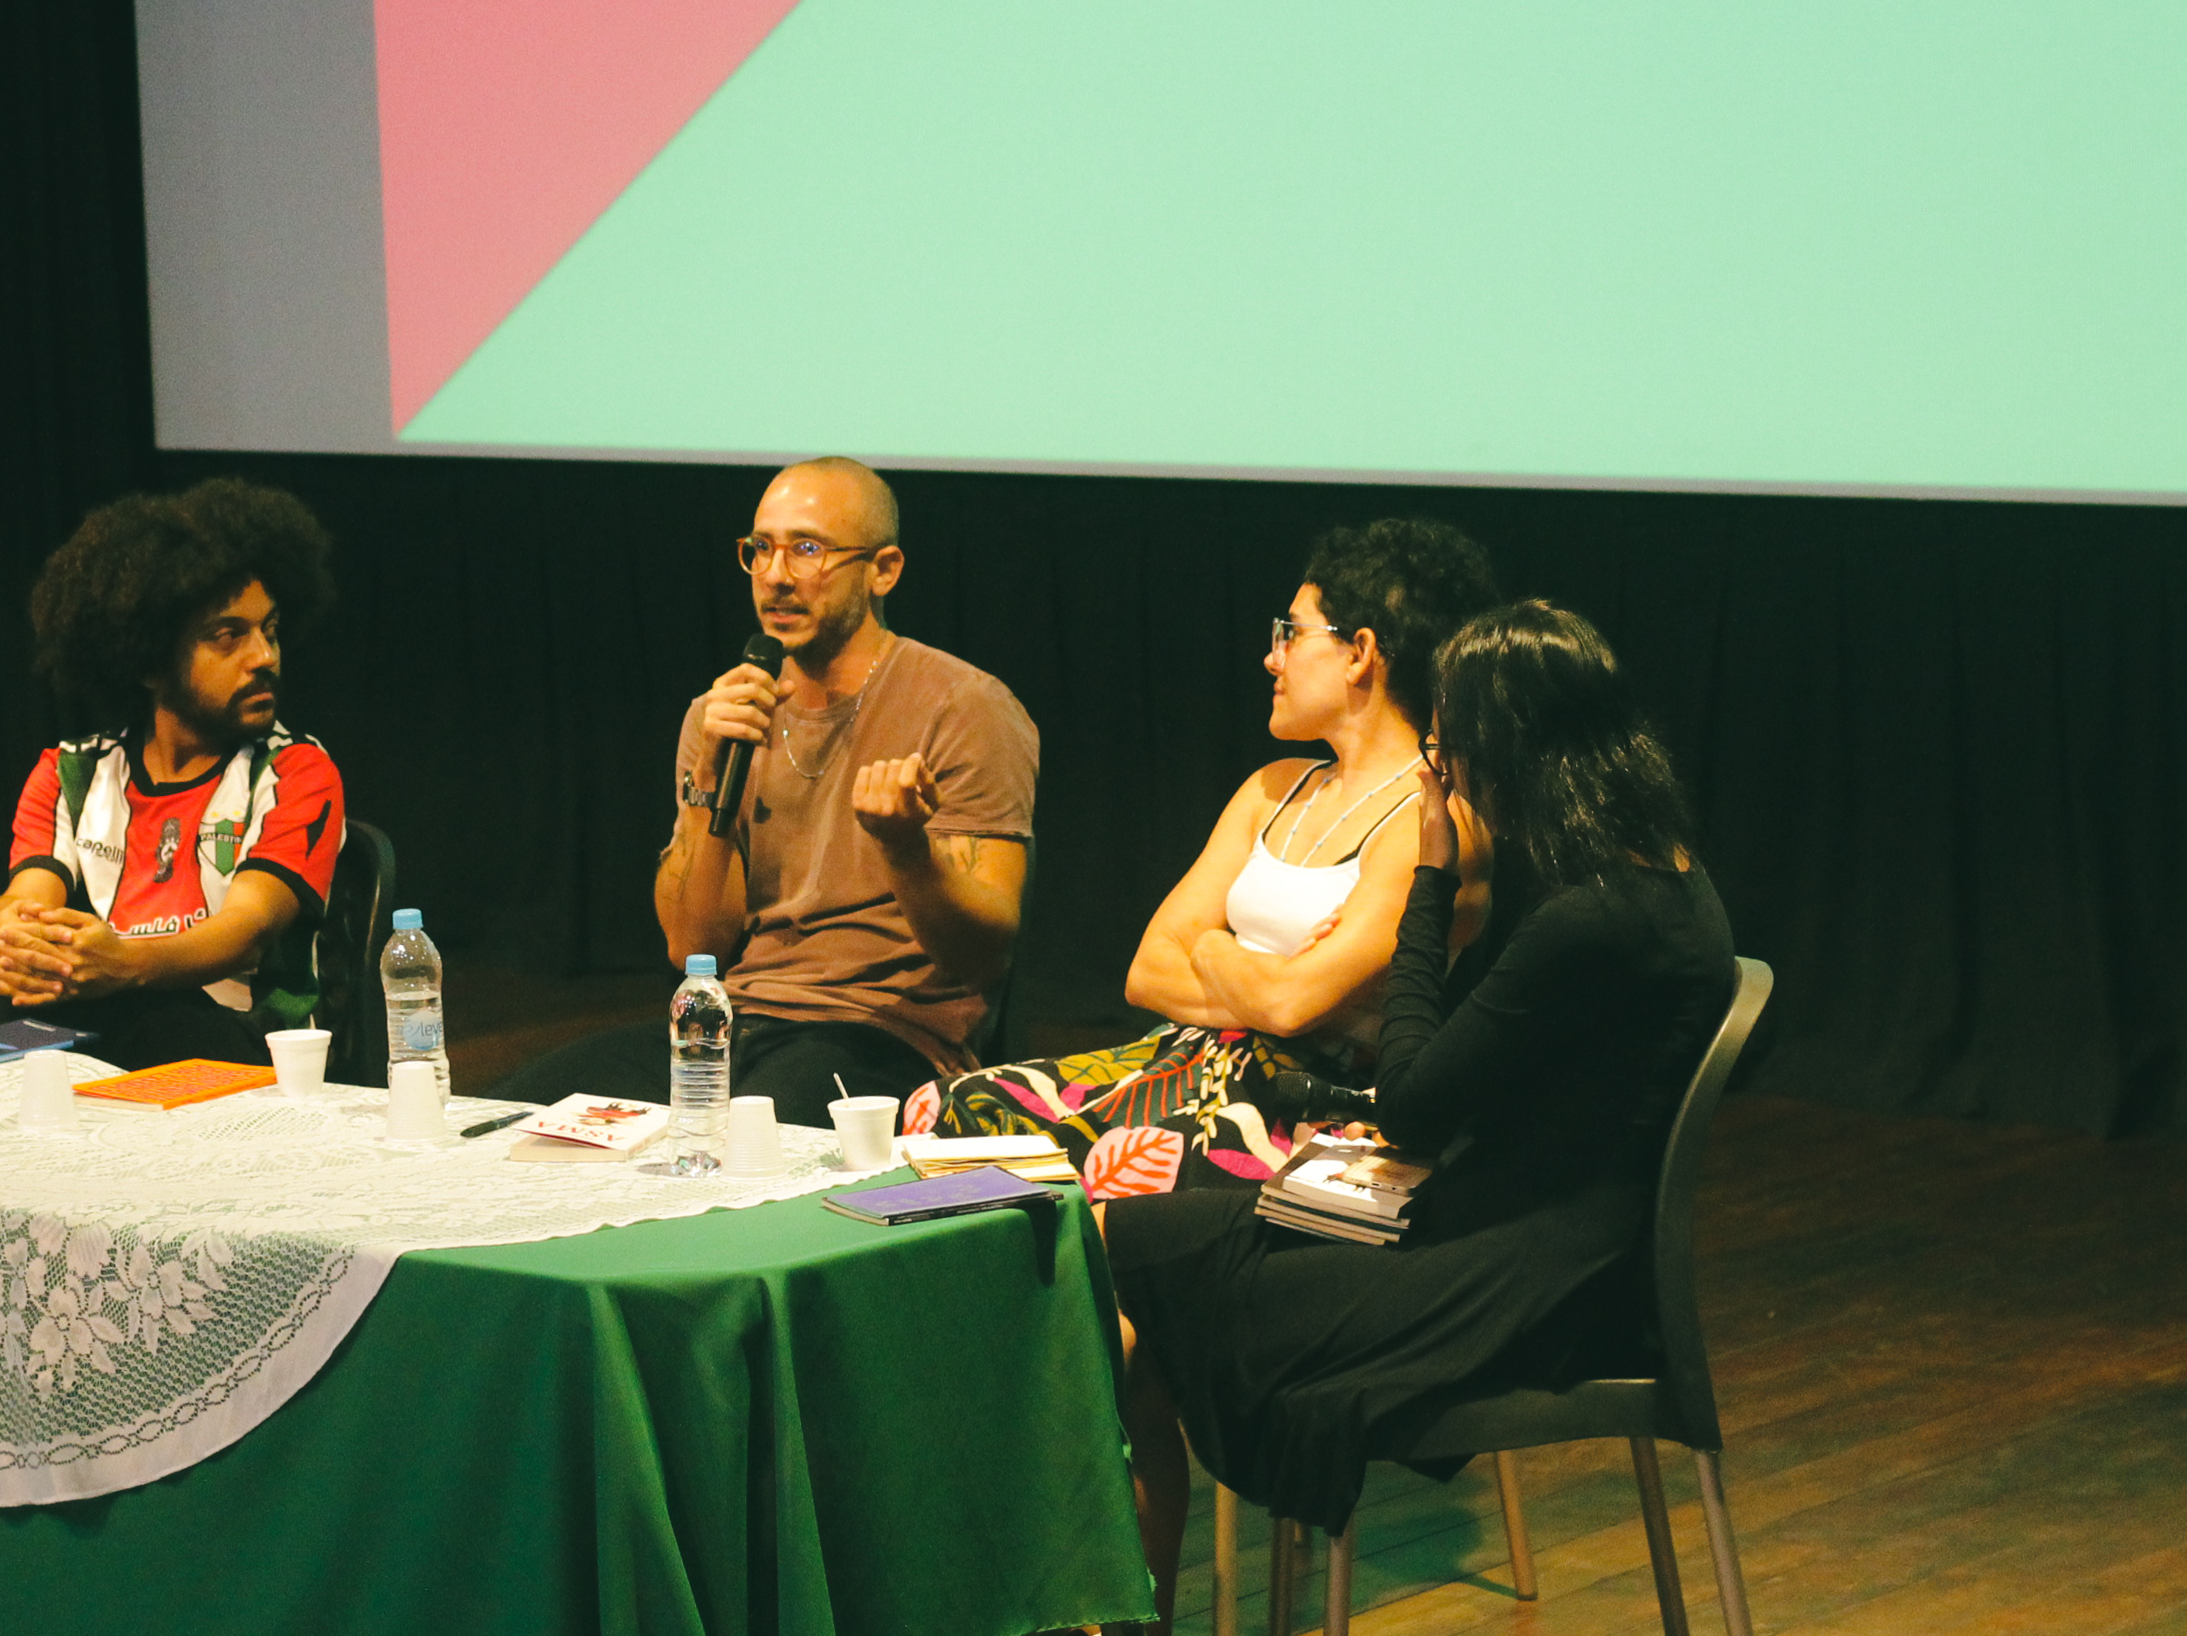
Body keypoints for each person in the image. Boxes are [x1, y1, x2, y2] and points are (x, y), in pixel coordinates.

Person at [1096, 600, 1738, 1627]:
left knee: (1129, 1255)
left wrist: (1426, 881)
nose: (1439, 773)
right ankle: (1129, 1613)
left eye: (1445, 748)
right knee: (1133, 1238)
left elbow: (1409, 1104)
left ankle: (1122, 1611)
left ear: (1504, 750)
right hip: (1538, 1238)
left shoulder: (1586, 922)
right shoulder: (1665, 885)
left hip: (1520, 1280)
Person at [919, 519, 1499, 1197]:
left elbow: (1289, 1008)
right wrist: (1268, 976)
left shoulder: (1432, 820)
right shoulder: (1273, 787)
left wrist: (1214, 947)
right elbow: (1147, 972)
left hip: (1306, 1099)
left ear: (1359, 652)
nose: (1272, 659)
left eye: (1292, 633)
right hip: (1184, 1059)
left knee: (1125, 1164)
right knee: (949, 1107)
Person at [500, 457, 1037, 1124]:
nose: (776, 575)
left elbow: (982, 954)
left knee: (757, 1134)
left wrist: (906, 849)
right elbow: (692, 947)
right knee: (512, 1113)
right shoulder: (720, 716)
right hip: (734, 1023)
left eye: (807, 549)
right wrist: (709, 774)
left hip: (886, 1034)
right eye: (760, 549)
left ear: (883, 569)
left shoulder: (964, 706)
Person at [0, 479, 346, 1071]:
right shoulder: (70, 773)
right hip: (111, 1021)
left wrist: (123, 963)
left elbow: (246, 930)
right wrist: (0, 941)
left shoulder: (296, 771)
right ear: (148, 661)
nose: (264, 657)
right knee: (12, 1015)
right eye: (229, 637)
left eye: (270, 632)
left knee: (150, 1020)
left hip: (247, 1049)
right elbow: (25, 905)